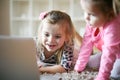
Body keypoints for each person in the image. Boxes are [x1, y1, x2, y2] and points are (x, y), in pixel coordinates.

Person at [74, 0, 120, 80]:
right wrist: (79, 66)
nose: (86, 17)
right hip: (107, 53)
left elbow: (109, 53)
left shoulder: (113, 27)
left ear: (109, 14)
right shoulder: (91, 23)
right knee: (89, 63)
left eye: (92, 14)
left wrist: (102, 77)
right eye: (85, 12)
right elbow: (86, 44)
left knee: (115, 74)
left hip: (117, 55)